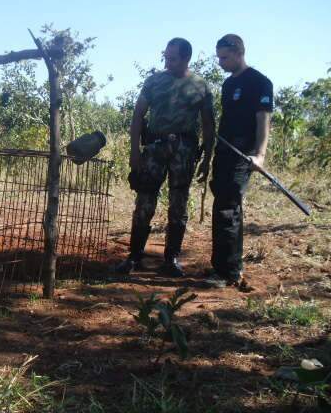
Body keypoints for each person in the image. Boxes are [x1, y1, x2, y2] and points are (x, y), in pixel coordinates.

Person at [115, 38, 215, 277]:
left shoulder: (200, 86)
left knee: (178, 205)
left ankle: (171, 259)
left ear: (186, 58)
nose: (167, 62)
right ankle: (134, 257)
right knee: (144, 201)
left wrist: (207, 156)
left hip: (185, 150)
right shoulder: (154, 82)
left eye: (173, 58)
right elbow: (138, 115)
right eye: (166, 57)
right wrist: (134, 151)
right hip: (154, 148)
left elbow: (209, 124)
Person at [206, 34, 273, 287]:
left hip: (243, 155)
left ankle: (229, 272)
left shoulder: (260, 82)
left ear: (238, 53)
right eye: (219, 58)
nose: (220, 63)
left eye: (224, 57)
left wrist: (260, 154)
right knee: (221, 206)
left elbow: (263, 120)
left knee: (229, 209)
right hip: (224, 152)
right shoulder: (227, 85)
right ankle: (219, 266)